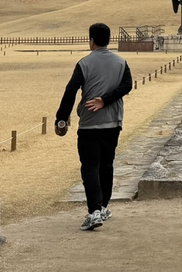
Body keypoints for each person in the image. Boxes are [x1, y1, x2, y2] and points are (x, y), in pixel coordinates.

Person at [55, 22, 132, 231]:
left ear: (91, 40)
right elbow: (127, 86)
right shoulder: (121, 62)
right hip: (114, 123)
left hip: (90, 125)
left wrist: (61, 118)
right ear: (109, 39)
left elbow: (70, 91)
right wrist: (106, 100)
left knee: (90, 167)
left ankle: (94, 211)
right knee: (107, 166)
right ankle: (104, 207)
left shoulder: (84, 63)